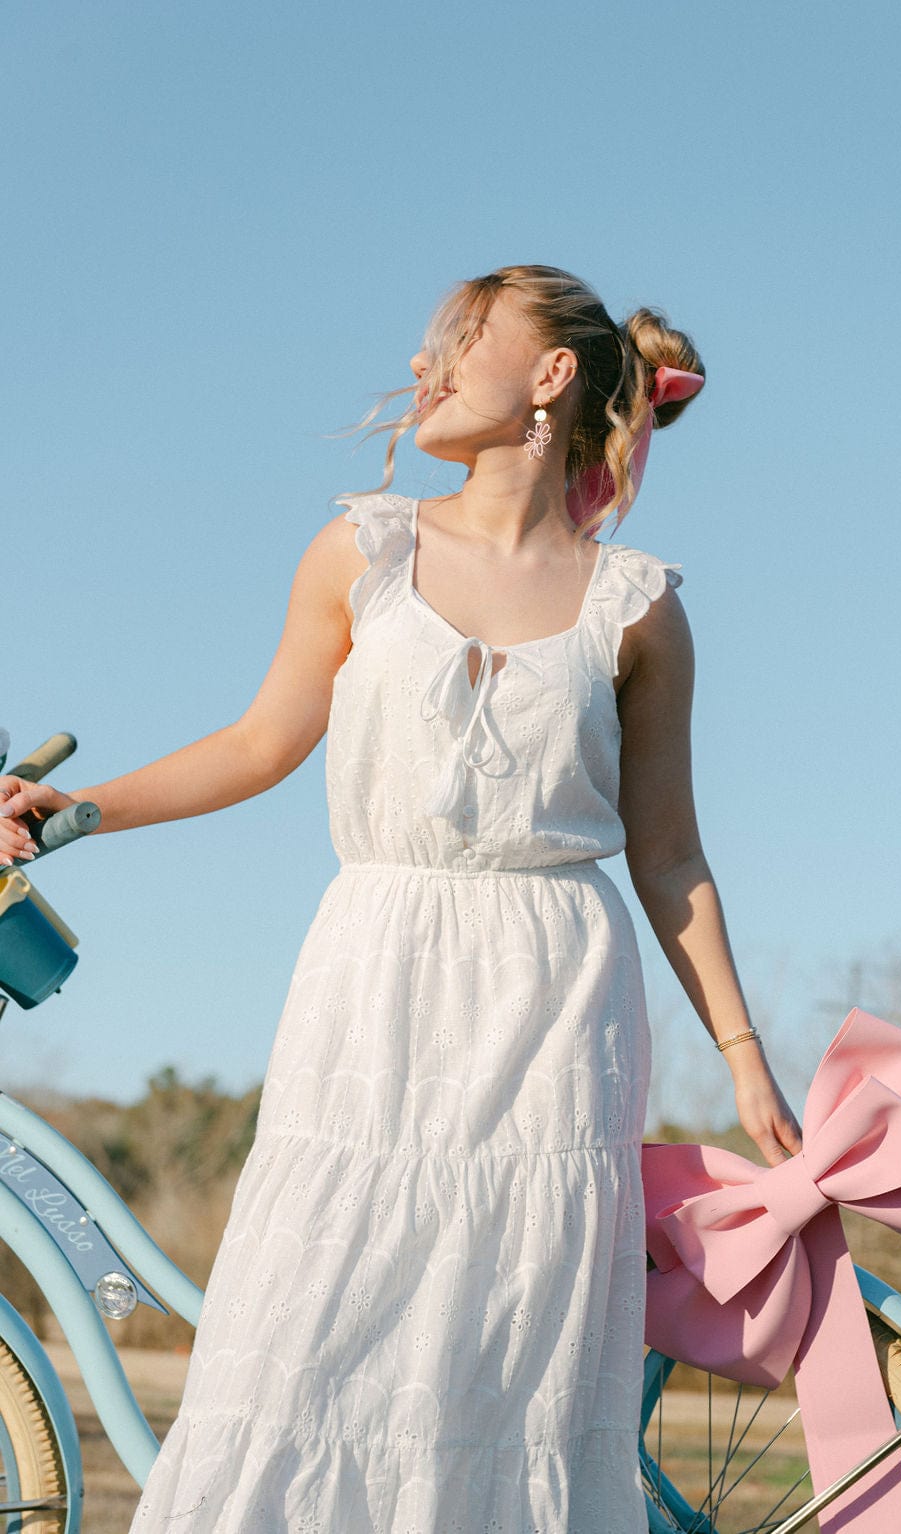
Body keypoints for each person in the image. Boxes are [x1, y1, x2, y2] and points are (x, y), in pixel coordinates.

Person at [0, 264, 801, 1532]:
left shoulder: (633, 609)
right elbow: (259, 742)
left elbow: (670, 856)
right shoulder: (362, 547)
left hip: (557, 992)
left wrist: (745, 1059)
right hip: (379, 969)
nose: (424, 368)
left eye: (461, 340)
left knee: (508, 1350)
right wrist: (80, 812)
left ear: (549, 377)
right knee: (317, 1311)